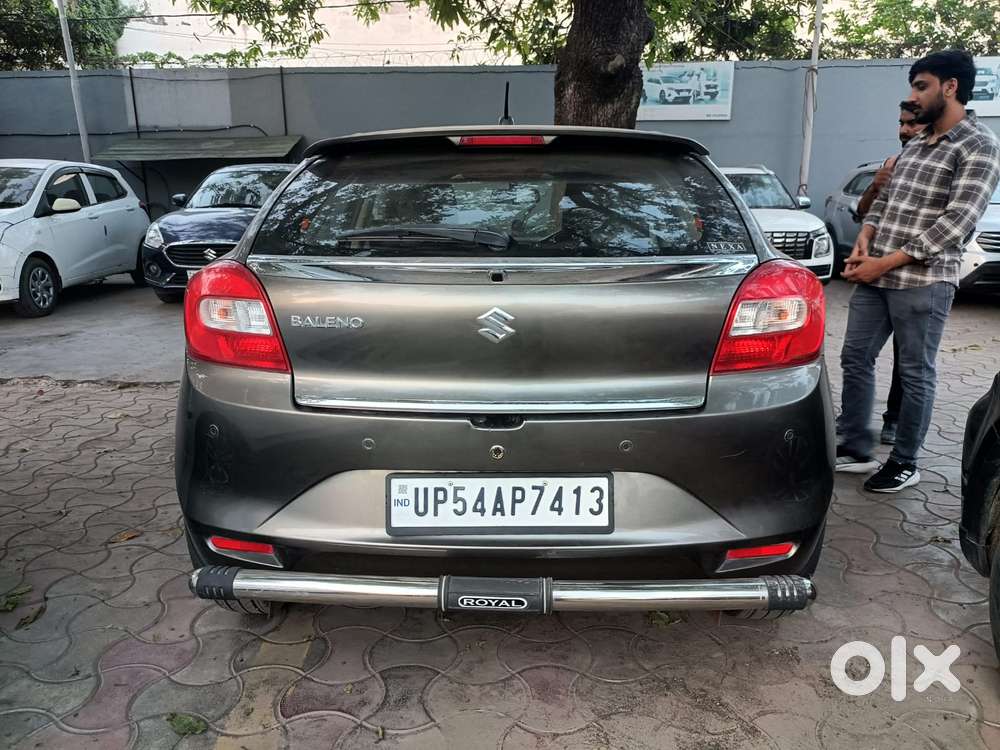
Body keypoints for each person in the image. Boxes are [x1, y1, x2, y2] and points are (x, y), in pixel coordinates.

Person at [837, 49, 1000, 493]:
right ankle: (853, 445)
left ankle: (905, 461)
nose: (913, 96)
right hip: (876, 273)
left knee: (914, 373)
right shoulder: (917, 142)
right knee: (855, 357)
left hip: (923, 282)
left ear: (950, 87)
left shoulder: (979, 144)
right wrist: (866, 240)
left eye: (921, 86)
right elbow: (885, 202)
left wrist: (882, 264)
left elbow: (958, 222)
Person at [852, 101, 927, 446]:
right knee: (856, 355)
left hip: (914, 279)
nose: (905, 130)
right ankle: (853, 431)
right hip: (874, 277)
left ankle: (895, 422)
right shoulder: (892, 163)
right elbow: (862, 213)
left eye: (912, 124)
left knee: (908, 361)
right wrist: (876, 186)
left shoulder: (938, 165)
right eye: (901, 123)